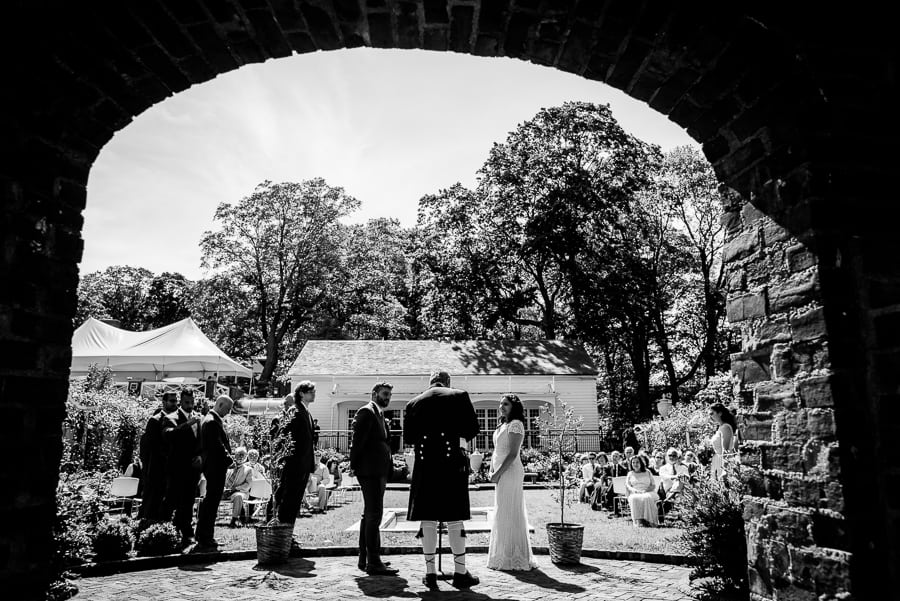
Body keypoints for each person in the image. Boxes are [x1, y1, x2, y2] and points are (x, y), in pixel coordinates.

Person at [405, 370, 480, 589]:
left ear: (430, 383)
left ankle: (430, 574)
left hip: (425, 465)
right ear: (448, 382)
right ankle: (460, 572)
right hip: (450, 466)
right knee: (455, 518)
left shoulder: (413, 403)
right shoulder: (459, 396)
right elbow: (471, 430)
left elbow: (409, 438)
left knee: (427, 519)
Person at [349, 381, 397, 575]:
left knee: (369, 514)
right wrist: (353, 466)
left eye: (389, 395)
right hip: (370, 471)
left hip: (379, 470)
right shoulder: (366, 412)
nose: (387, 398)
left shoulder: (380, 414)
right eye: (385, 394)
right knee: (375, 514)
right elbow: (357, 442)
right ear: (374, 393)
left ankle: (365, 558)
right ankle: (374, 561)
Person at [487, 394, 536, 571]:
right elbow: (498, 450)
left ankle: (515, 556)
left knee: (510, 510)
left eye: (505, 404)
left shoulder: (516, 425)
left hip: (510, 472)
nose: (502, 407)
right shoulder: (503, 425)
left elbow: (512, 454)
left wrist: (498, 473)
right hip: (500, 472)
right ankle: (503, 553)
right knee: (502, 510)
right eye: (500, 404)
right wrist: (491, 469)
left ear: (514, 407)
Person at [162, 389, 203, 546]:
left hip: (192, 470)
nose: (190, 406)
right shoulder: (170, 418)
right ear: (181, 401)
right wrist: (186, 424)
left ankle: (187, 532)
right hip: (177, 468)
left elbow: (200, 442)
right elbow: (169, 435)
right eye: (187, 402)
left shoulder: (197, 418)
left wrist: (200, 456)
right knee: (172, 500)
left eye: (192, 402)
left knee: (188, 502)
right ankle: (165, 530)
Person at [272, 381, 316, 527]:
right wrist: (289, 463)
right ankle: (283, 530)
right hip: (294, 466)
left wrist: (310, 466)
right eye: (311, 391)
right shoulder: (295, 411)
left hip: (303, 465)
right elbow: (285, 439)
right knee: (289, 500)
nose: (314, 394)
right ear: (301, 393)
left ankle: (288, 531)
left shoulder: (306, 412)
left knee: (295, 501)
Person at [195, 395, 233, 547]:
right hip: (215, 466)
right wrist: (230, 459)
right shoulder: (211, 422)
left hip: (212, 466)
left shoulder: (209, 419)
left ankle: (204, 534)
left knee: (211, 501)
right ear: (220, 404)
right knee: (212, 501)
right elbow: (216, 446)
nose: (228, 412)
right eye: (228, 409)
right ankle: (205, 535)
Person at [138, 392, 178, 521]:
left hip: (169, 468)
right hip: (155, 467)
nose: (175, 404)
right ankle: (146, 523)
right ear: (164, 402)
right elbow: (149, 447)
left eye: (176, 401)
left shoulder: (175, 420)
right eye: (172, 401)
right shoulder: (155, 420)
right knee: (152, 499)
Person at [223, 446, 254, 527]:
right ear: (235, 456)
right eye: (239, 454)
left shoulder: (248, 470)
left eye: (243, 455)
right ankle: (207, 519)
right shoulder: (228, 467)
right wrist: (224, 489)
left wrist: (235, 489)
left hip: (240, 492)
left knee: (238, 496)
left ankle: (234, 519)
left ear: (246, 457)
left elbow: (248, 484)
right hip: (225, 491)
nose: (241, 457)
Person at [625, 455, 659, 527]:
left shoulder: (647, 472)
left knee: (646, 497)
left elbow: (653, 485)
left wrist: (645, 490)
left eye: (637, 462)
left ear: (641, 463)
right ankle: (639, 521)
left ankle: (649, 520)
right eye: (633, 462)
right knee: (634, 498)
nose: (635, 464)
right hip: (635, 492)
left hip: (649, 491)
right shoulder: (630, 473)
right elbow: (628, 485)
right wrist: (635, 491)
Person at [709, 402, 738, 480]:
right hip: (717, 460)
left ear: (720, 413)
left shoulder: (725, 427)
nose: (710, 416)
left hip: (722, 462)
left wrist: (724, 470)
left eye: (712, 413)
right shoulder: (720, 427)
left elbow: (726, 450)